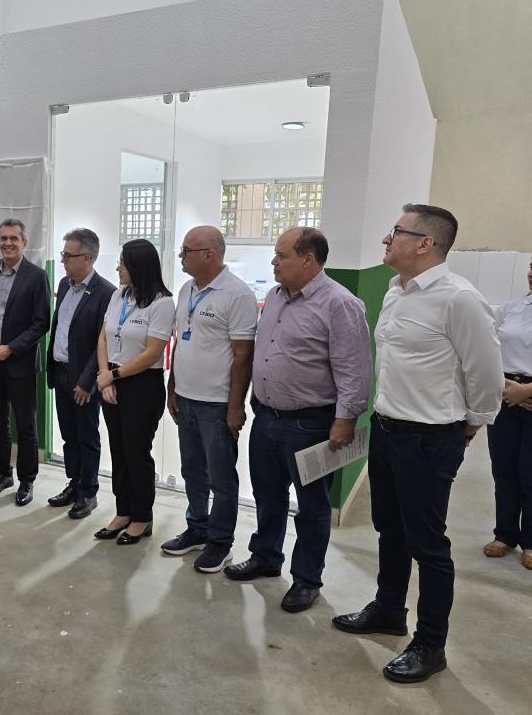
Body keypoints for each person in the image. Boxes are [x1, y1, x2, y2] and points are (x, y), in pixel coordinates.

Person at [333, 205, 504, 683]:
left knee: (428, 545)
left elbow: (487, 376)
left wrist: (469, 426)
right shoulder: (396, 290)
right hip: (387, 430)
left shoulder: (459, 299)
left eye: (396, 232)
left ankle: (431, 644)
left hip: (430, 438)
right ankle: (389, 609)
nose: (386, 240)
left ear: (425, 243)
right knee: (390, 528)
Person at [224, 227, 371, 614]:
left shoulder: (340, 304)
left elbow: (355, 370)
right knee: (267, 495)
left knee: (312, 507)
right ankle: (266, 556)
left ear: (308, 259)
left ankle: (307, 579)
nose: (273, 261)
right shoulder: (276, 296)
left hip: (311, 424)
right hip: (267, 417)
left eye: (281, 255)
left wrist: (345, 420)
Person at [162, 226, 257, 571]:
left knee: (221, 477)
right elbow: (180, 341)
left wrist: (235, 406)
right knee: (192, 471)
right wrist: (172, 387)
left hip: (216, 405)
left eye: (186, 251)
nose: (181, 256)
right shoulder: (187, 289)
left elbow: (243, 355)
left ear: (209, 255)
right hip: (186, 398)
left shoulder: (237, 295)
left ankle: (220, 542)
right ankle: (197, 528)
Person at [93, 239, 174, 544]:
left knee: (136, 452)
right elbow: (103, 338)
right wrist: (106, 377)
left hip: (141, 384)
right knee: (118, 449)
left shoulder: (162, 303)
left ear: (139, 266)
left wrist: (113, 375)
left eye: (123, 263)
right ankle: (123, 511)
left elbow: (152, 353)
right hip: (112, 379)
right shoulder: (119, 295)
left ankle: (142, 517)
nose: (118, 268)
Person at [0, 219, 50, 506]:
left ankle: (26, 480)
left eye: (13, 239)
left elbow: (41, 322)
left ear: (24, 243)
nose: (8, 243)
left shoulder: (36, 276)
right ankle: (2, 474)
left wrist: (12, 348)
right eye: (3, 238)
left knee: (26, 426)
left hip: (21, 362)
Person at [45, 228, 116, 519]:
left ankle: (88, 491)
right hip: (61, 371)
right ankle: (73, 483)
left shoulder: (106, 293)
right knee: (69, 435)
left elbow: (102, 343)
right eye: (63, 255)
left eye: (68, 256)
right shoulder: (65, 283)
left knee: (87, 436)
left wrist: (87, 382)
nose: (63, 260)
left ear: (87, 257)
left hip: (83, 379)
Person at [484, 259, 532, 570]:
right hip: (505, 394)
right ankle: (505, 534)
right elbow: (489, 350)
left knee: (530, 475)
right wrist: (505, 387)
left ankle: (531, 542)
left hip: (528, 395)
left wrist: (527, 391)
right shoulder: (511, 309)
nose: (531, 274)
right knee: (504, 470)